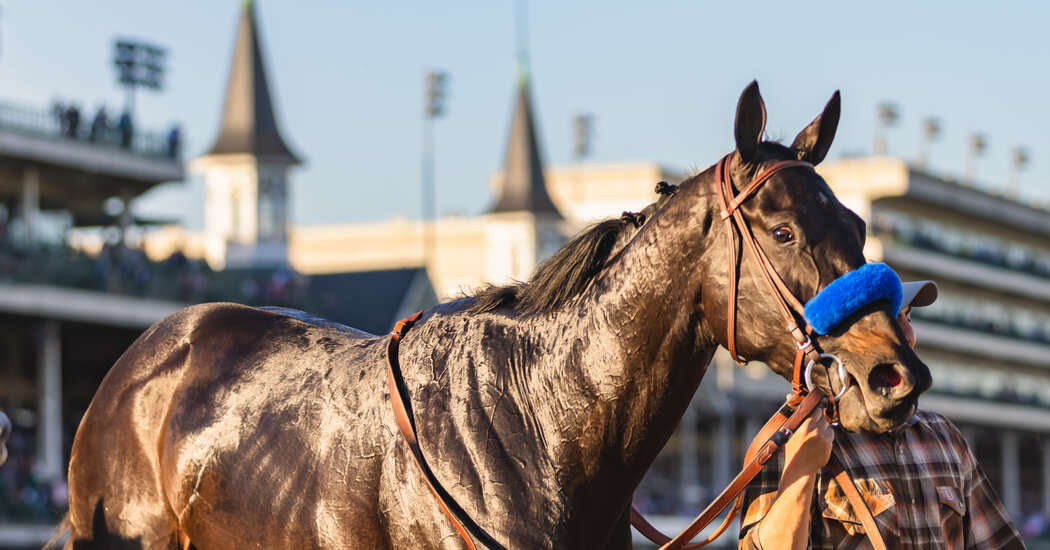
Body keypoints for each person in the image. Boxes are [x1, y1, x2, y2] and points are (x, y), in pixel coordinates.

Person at [739, 280, 1025, 549]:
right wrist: (800, 471)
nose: (910, 336)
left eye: (908, 318)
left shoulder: (945, 438)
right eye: (892, 320)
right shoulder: (790, 438)